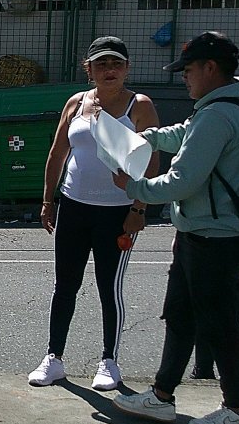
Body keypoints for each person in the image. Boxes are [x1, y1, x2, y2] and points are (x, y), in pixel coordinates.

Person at [110, 31, 239, 424]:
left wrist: (133, 188)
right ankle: (161, 397)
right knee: (180, 316)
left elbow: (181, 181)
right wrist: (151, 136)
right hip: (200, 233)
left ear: (210, 68)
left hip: (217, 237)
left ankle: (235, 410)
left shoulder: (218, 115)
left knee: (220, 324)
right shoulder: (222, 106)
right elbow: (185, 136)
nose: (185, 78)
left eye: (189, 70)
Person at [30, 36, 159, 391]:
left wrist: (139, 208)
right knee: (64, 285)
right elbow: (57, 154)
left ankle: (109, 361)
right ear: (89, 70)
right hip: (74, 207)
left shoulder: (140, 106)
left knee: (109, 288)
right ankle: (54, 358)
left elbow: (152, 163)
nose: (109, 70)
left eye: (116, 64)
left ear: (127, 69)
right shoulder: (75, 104)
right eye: (101, 64)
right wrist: (48, 201)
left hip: (118, 213)